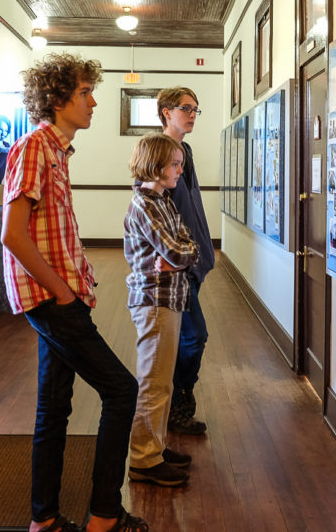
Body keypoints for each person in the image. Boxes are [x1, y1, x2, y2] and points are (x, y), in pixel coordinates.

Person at [0, 53, 147, 532]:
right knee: (122, 390)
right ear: (57, 97)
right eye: (85, 93)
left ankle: (43, 520)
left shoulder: (56, 151)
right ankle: (105, 516)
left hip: (59, 295)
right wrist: (63, 292)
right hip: (50, 299)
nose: (93, 102)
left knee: (54, 407)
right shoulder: (34, 147)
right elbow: (13, 234)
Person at [123, 133, 199, 487]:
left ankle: (155, 446)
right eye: (175, 163)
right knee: (154, 383)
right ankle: (143, 460)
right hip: (155, 302)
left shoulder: (163, 200)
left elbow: (187, 245)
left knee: (163, 382)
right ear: (155, 164)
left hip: (168, 297)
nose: (180, 170)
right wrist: (177, 257)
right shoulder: (146, 204)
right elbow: (177, 252)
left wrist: (177, 257)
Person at [156, 87, 214, 435]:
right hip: (176, 264)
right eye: (185, 108)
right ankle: (177, 401)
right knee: (194, 336)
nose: (192, 114)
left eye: (195, 109)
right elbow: (153, 208)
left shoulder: (185, 151)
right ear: (166, 112)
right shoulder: (158, 152)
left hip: (194, 260)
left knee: (185, 335)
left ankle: (175, 403)